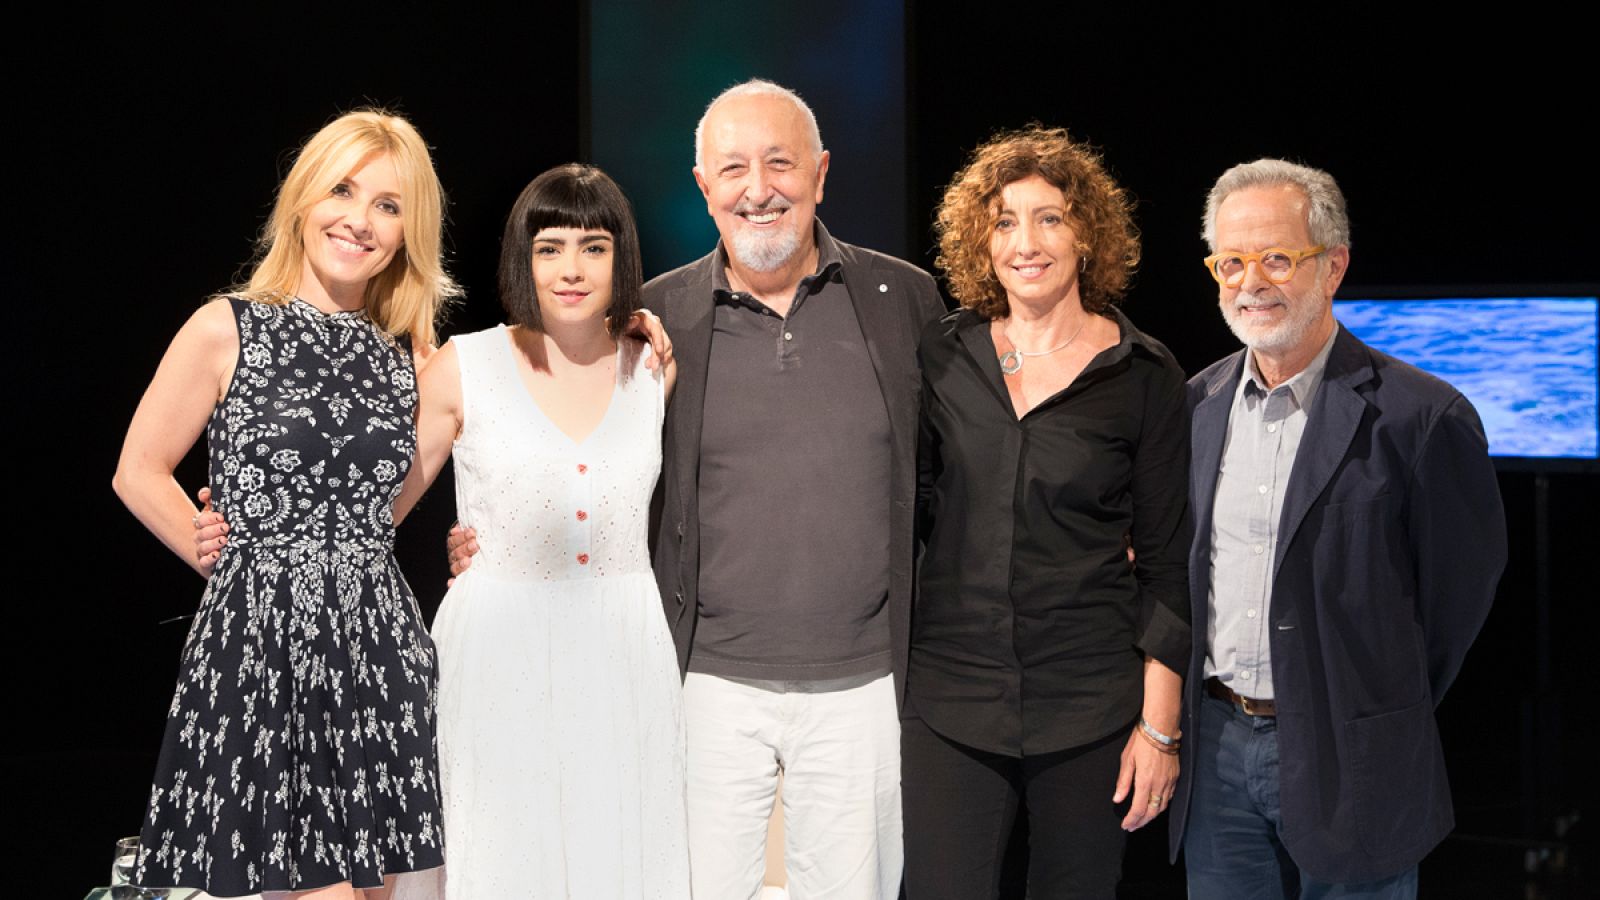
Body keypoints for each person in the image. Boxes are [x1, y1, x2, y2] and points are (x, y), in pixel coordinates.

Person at [450, 79, 946, 899]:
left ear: (821, 174)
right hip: (704, 682)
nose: (759, 189)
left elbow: (950, 469)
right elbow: (575, 462)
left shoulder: (903, 298)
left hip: (863, 680)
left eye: (780, 163)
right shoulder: (653, 316)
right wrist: (487, 535)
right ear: (703, 187)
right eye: (734, 168)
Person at [112, 109, 456, 899]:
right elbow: (138, 468)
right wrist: (212, 548)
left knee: (381, 890)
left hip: (379, 648)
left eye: (389, 205)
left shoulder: (418, 356)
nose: (360, 220)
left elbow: (395, 505)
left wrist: (639, 332)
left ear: (410, 232)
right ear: (303, 197)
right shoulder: (225, 327)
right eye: (343, 189)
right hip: (262, 647)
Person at [1167, 159, 1507, 899]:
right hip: (1218, 749)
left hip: (1357, 752)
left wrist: (1373, 703)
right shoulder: (1193, 406)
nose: (1250, 281)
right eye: (1230, 261)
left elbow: (1456, 603)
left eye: (1277, 257)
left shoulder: (1422, 417)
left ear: (1334, 266)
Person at [903, 126, 1191, 898]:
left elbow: (1167, 565)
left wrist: (1160, 731)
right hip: (949, 698)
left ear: (1087, 234)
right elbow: (909, 516)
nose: (1024, 242)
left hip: (1089, 706)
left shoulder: (1144, 374)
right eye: (1003, 221)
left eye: (1049, 218)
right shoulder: (944, 355)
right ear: (981, 241)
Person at [417, 163, 688, 898]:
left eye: (594, 247)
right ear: (522, 258)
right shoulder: (463, 364)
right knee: (503, 858)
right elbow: (373, 507)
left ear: (621, 258)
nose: (571, 268)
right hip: (497, 653)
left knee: (618, 856)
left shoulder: (651, 365)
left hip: (622, 650)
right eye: (550, 247)